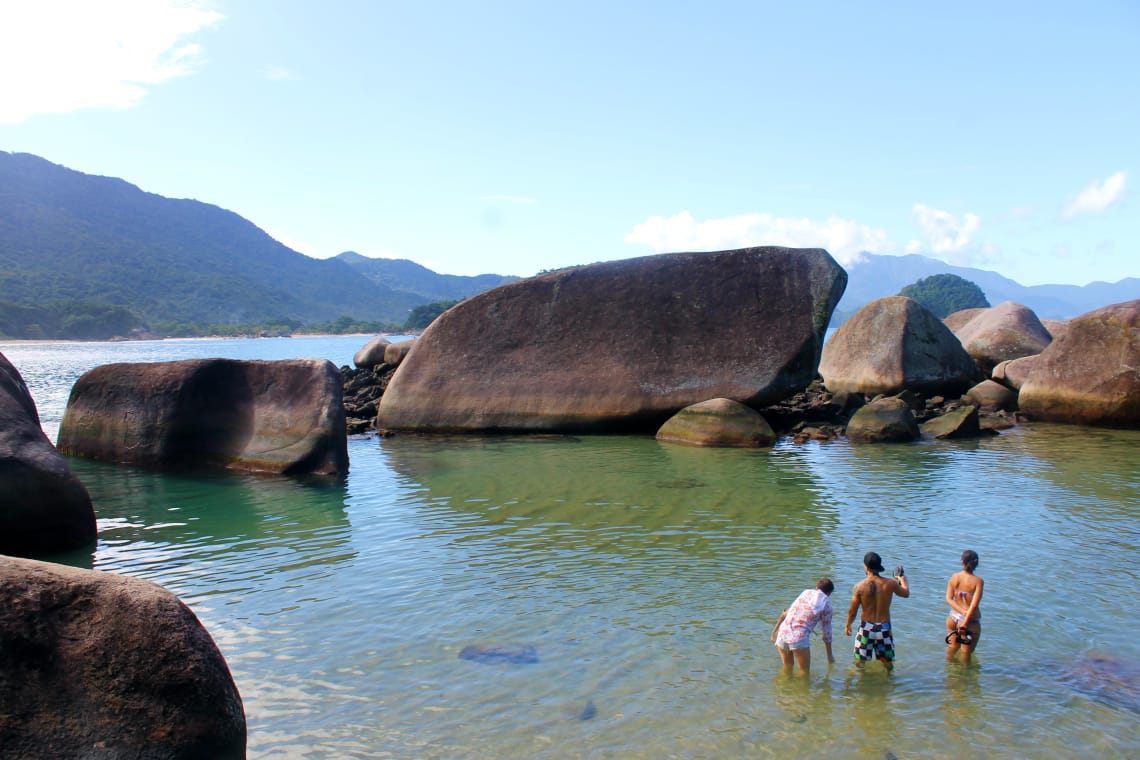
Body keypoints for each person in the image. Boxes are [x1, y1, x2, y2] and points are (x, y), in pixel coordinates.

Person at [845, 551, 909, 670]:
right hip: (883, 628)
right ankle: (890, 681)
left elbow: (852, 611)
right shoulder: (890, 584)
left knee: (860, 662)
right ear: (879, 566)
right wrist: (903, 580)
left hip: (866, 628)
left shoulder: (859, 586)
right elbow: (905, 594)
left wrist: (848, 625)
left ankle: (859, 683)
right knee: (887, 661)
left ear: (866, 566)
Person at [772, 578, 836, 671]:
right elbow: (827, 633)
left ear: (817, 587)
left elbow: (789, 613)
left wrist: (775, 631)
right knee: (804, 674)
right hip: (798, 639)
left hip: (782, 634)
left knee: (787, 669)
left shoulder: (806, 593)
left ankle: (784, 686)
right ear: (829, 594)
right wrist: (829, 656)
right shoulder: (827, 605)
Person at [945, 549, 984, 660]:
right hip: (969, 622)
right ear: (976, 563)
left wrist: (961, 611)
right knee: (966, 655)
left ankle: (950, 674)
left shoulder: (955, 576)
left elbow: (948, 599)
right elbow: (974, 605)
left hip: (953, 617)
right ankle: (964, 677)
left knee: (952, 649)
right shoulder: (978, 581)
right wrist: (965, 621)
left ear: (962, 561)